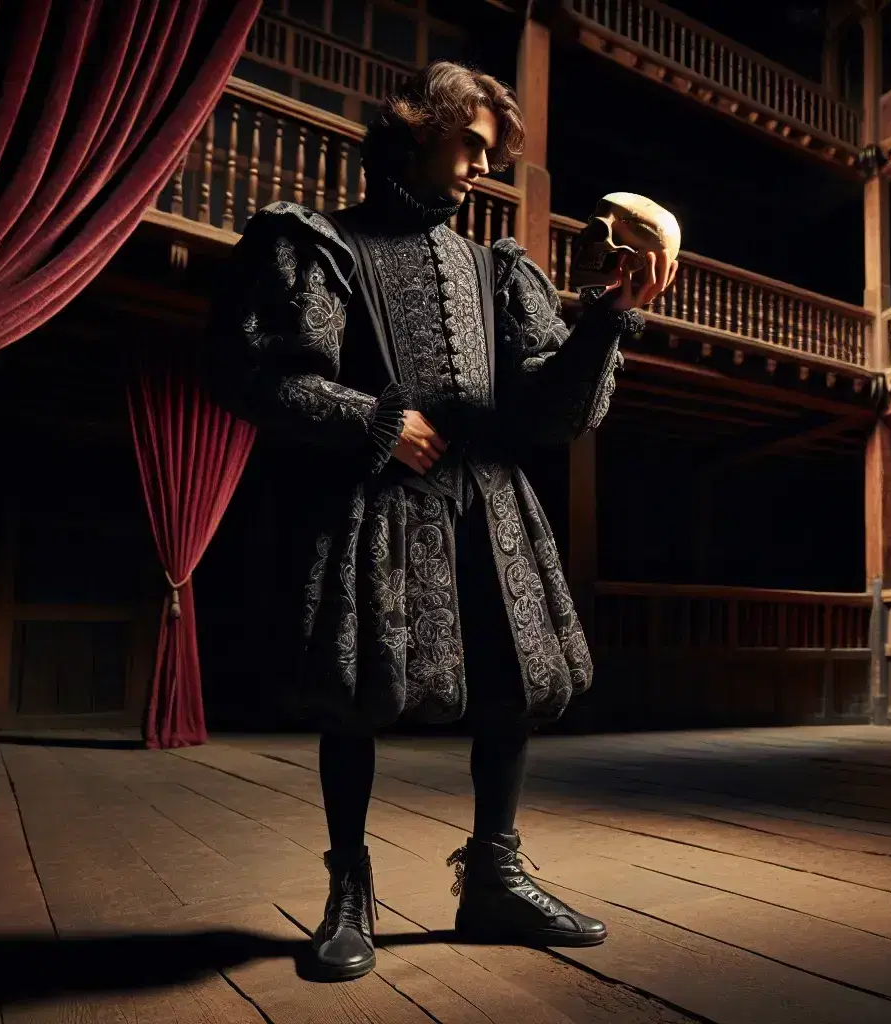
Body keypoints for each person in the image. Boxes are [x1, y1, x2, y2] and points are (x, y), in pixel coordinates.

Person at [205, 61, 674, 981]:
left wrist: (602, 321)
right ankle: (350, 891)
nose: (481, 170)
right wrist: (372, 419)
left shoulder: (492, 266)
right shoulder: (325, 244)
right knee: (356, 702)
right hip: (376, 500)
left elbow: (547, 412)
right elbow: (255, 375)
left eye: (491, 156)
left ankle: (493, 877)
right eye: (472, 147)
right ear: (421, 127)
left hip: (487, 498)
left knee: (508, 685)